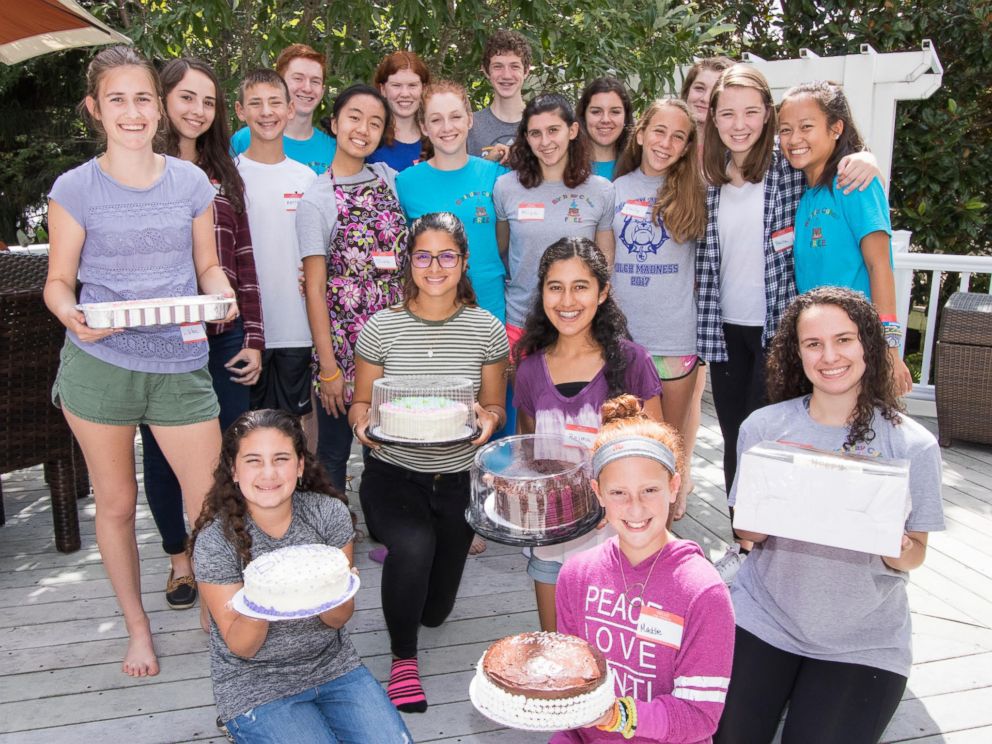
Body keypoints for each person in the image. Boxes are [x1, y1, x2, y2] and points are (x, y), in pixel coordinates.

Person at [44, 45, 237, 676]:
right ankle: (137, 629)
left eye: (143, 98)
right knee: (118, 504)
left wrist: (221, 291)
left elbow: (207, 263)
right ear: (95, 109)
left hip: (180, 361)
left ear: (160, 106)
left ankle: (218, 620)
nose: (133, 112)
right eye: (118, 99)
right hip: (99, 365)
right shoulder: (75, 188)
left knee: (208, 501)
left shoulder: (190, 182)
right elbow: (58, 281)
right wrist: (71, 314)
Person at [714, 287, 944, 743]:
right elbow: (746, 533)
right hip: (765, 617)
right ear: (795, 353)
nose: (829, 356)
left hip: (864, 639)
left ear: (868, 346)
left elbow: (914, 556)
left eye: (844, 339)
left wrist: (894, 546)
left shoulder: (912, 445)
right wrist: (765, 510)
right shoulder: (763, 428)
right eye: (813, 343)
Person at [696, 65, 879, 582]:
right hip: (724, 328)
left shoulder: (789, 166)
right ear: (713, 117)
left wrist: (864, 158)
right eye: (727, 112)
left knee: (778, 440)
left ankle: (788, 550)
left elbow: (835, 161)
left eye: (752, 112)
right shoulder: (705, 174)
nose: (740, 123)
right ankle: (746, 545)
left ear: (769, 117)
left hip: (780, 329)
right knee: (738, 439)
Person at [350, 213, 509, 712]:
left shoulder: (487, 329)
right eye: (423, 255)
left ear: (463, 263)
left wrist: (488, 420)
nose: (434, 266)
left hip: (459, 480)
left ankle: (412, 586)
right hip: (393, 473)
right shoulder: (382, 327)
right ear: (408, 262)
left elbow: (495, 408)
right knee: (413, 545)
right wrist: (361, 424)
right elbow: (360, 404)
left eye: (446, 255)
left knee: (435, 610)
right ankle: (402, 661)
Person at [189, 409, 413, 744]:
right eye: (253, 460)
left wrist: (331, 586)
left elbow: (338, 619)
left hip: (333, 666)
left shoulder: (329, 514)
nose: (269, 473)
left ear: (299, 466)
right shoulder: (214, 542)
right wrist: (265, 592)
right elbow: (242, 646)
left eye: (281, 458)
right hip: (254, 682)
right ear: (233, 470)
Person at [137, 57, 265, 610]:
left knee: (233, 452)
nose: (197, 110)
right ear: (163, 100)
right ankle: (180, 562)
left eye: (208, 101)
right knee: (164, 457)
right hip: (162, 340)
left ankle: (231, 555)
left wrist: (253, 338)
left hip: (224, 335)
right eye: (187, 97)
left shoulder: (223, 174)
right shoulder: (139, 171)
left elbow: (243, 261)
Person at [553, 394, 735, 743]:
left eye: (649, 490)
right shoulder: (576, 574)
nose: (635, 508)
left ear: (673, 486)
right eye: (618, 492)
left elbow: (700, 715)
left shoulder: (702, 591)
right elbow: (573, 684)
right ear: (598, 493)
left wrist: (617, 715)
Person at [514, 238, 662, 632]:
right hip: (552, 536)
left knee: (620, 648)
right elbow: (528, 454)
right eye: (555, 286)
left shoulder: (633, 361)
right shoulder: (529, 370)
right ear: (542, 292)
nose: (567, 300)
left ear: (603, 292)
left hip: (624, 538)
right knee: (558, 645)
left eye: (580, 286)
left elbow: (660, 455)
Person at [296, 84, 407, 493]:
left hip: (396, 346)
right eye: (355, 117)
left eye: (375, 122)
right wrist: (328, 368)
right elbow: (313, 287)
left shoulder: (390, 180)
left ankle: (387, 525)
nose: (364, 129)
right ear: (335, 123)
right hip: (342, 350)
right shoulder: (317, 199)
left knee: (390, 448)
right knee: (334, 451)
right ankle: (334, 534)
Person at [778, 80, 914, 396]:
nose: (794, 139)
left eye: (806, 127)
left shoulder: (855, 184)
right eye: (785, 130)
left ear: (836, 128)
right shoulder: (805, 191)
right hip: (819, 350)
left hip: (857, 347)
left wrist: (890, 351)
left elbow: (880, 266)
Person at [612, 99, 706, 522]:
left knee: (668, 442)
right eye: (659, 131)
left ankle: (666, 527)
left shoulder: (697, 193)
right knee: (628, 441)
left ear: (687, 146)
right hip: (622, 340)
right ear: (641, 132)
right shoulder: (612, 190)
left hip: (674, 339)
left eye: (678, 136)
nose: (665, 143)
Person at [495, 92, 615, 352]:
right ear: (526, 138)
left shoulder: (600, 191)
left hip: (580, 323)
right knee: (526, 394)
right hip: (521, 322)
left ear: (572, 130)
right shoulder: (505, 188)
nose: (545, 141)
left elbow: (604, 261)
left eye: (553, 130)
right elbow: (501, 249)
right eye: (535, 133)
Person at [235, 69, 317, 424]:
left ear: (289, 110)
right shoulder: (229, 176)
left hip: (295, 327)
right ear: (240, 111)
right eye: (255, 103)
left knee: (288, 428)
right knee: (242, 430)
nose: (266, 112)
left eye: (274, 103)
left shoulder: (306, 178)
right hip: (242, 330)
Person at [397, 80, 507, 323]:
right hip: (429, 306)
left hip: (487, 303)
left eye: (455, 117)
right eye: (436, 120)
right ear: (424, 127)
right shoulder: (404, 183)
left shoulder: (497, 177)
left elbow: (503, 241)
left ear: (469, 120)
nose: (447, 127)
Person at [231, 44, 336, 175]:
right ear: (280, 83)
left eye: (315, 81)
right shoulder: (246, 138)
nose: (307, 88)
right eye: (298, 78)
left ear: (322, 91)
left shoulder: (334, 148)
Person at [466, 29, 532, 158]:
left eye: (514, 66)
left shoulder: (541, 123)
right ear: (486, 71)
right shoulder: (469, 126)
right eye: (498, 66)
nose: (506, 75)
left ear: (526, 71)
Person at [369, 51, 431, 172]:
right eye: (396, 85)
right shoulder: (369, 137)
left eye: (412, 85)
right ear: (383, 89)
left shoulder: (437, 136)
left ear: (423, 89)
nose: (404, 94)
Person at [577, 76, 634, 180]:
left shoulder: (639, 166)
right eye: (596, 112)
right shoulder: (567, 166)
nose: (605, 120)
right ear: (583, 116)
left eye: (615, 112)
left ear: (626, 117)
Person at [680, 56, 735, 164]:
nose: (705, 99)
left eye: (715, 93)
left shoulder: (736, 153)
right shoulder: (665, 144)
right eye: (699, 88)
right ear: (687, 92)